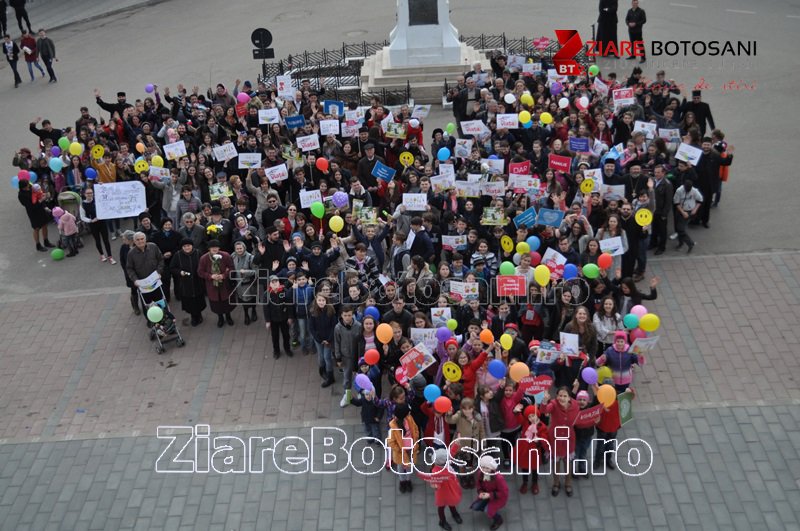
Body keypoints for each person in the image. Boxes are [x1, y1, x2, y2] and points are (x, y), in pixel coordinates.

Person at [197, 239, 236, 328]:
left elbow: (231, 267)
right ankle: (220, 318)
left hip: (225, 284)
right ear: (209, 249)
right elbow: (200, 272)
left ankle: (228, 316)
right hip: (212, 285)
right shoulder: (204, 258)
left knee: (226, 302)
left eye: (216, 247)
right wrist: (211, 276)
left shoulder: (225, 255)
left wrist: (224, 275)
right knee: (216, 304)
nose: (214, 249)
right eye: (212, 247)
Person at [125, 231, 165, 316]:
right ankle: (150, 319)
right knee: (146, 303)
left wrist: (159, 272)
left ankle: (163, 315)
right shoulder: (131, 253)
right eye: (138, 240)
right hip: (143, 284)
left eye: (142, 239)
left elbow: (161, 260)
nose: (140, 241)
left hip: (155, 281)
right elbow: (129, 268)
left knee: (160, 300)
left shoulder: (153, 247)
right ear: (134, 241)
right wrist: (135, 280)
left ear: (145, 239)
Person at [169, 238, 206, 326]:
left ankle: (199, 314)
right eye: (184, 246)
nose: (187, 248)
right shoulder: (177, 255)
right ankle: (194, 317)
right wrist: (180, 272)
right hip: (185, 283)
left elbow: (204, 264)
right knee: (190, 302)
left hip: (198, 281)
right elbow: (172, 268)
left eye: (188, 246)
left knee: (198, 299)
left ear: (192, 246)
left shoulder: (198, 253)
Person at [387, 403, 419, 494]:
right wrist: (399, 450)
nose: (409, 414)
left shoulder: (409, 418)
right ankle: (402, 481)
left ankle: (408, 481)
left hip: (410, 448)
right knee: (400, 467)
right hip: (400, 452)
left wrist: (415, 438)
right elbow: (391, 442)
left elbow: (415, 428)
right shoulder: (393, 426)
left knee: (409, 466)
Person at [334, 305, 362, 407]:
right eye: (345, 315)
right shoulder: (338, 328)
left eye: (349, 315)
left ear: (353, 315)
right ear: (341, 315)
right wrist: (338, 357)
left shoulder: (358, 326)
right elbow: (337, 343)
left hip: (357, 356)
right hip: (346, 357)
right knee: (347, 377)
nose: (347, 317)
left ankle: (360, 392)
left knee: (358, 376)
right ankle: (348, 395)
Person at [79, 188, 116, 264]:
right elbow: (82, 217)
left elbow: (106, 195)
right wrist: (91, 220)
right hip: (93, 225)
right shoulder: (82, 204)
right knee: (97, 240)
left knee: (106, 240)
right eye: (88, 193)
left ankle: (110, 256)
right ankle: (102, 255)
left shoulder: (98, 200)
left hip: (102, 222)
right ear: (85, 194)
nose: (90, 194)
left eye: (91, 193)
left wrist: (102, 185)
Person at [472, 455, 508, 530]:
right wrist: (480, 492)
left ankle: (498, 520)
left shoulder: (499, 478)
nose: (484, 470)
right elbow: (478, 485)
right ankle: (487, 507)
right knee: (476, 507)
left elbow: (504, 493)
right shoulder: (480, 473)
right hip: (485, 494)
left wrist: (490, 495)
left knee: (489, 511)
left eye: (487, 468)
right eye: (482, 467)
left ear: (492, 467)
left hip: (497, 498)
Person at [262, 275, 294, 358]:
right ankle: (276, 351)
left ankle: (287, 349)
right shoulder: (266, 294)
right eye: (273, 282)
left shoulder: (284, 291)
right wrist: (267, 321)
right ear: (270, 284)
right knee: (275, 336)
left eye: (276, 281)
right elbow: (266, 308)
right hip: (273, 319)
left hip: (284, 318)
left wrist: (290, 317)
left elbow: (289, 305)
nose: (275, 283)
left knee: (286, 335)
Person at [17, 178, 53, 251]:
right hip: (33, 212)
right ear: (23, 187)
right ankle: (38, 245)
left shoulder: (30, 188)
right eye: (27, 186)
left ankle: (46, 241)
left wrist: (44, 196)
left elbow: (38, 192)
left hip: (41, 209)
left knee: (44, 225)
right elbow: (30, 206)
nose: (29, 187)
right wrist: (41, 200)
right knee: (36, 228)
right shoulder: (21, 195)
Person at [672, 178, 702, 253]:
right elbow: (676, 203)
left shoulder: (694, 191)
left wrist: (695, 209)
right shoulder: (679, 190)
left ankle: (690, 243)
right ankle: (681, 243)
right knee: (679, 228)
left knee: (681, 229)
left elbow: (700, 200)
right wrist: (682, 212)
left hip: (689, 211)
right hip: (680, 211)